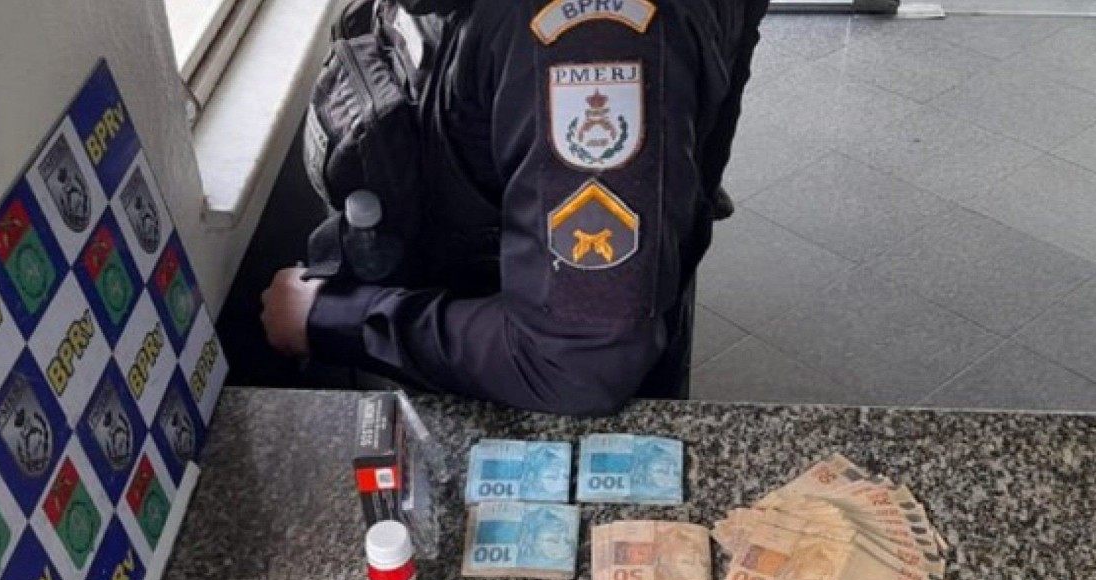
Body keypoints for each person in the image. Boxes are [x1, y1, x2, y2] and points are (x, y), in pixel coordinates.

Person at [261, 0, 771, 416]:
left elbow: (579, 360)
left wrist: (339, 320)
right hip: (516, 284)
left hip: (511, 363)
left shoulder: (588, 38)